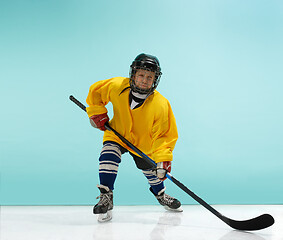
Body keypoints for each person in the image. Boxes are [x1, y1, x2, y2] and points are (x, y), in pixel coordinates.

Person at [86, 53, 182, 222]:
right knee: (108, 154)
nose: (145, 80)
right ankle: (106, 196)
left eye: (149, 77)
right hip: (117, 134)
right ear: (133, 75)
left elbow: (164, 135)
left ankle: (160, 194)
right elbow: (96, 91)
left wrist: (163, 160)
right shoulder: (117, 86)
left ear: (155, 79)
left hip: (143, 144)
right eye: (141, 75)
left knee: (153, 174)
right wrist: (96, 112)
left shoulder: (161, 104)